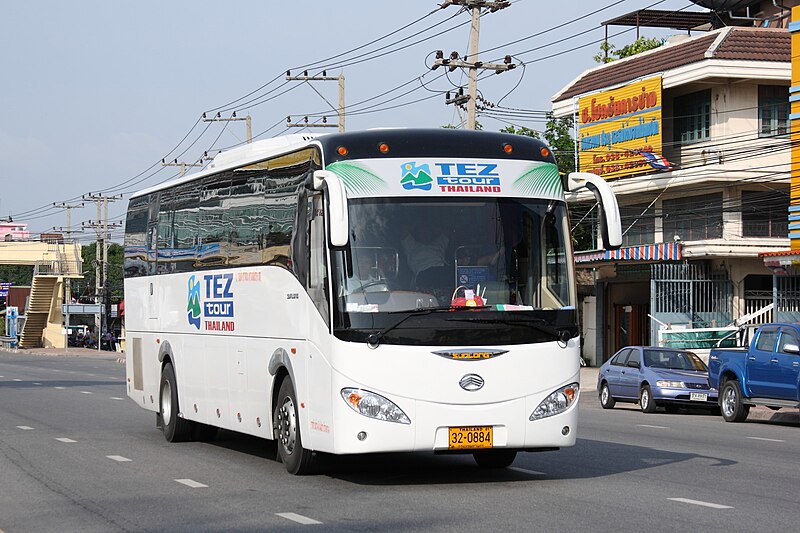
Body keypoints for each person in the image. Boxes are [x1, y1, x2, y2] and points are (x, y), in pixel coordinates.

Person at [401, 216, 450, 292]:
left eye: (428, 232)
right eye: (422, 233)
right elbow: (403, 230)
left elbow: (447, 230)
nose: (425, 235)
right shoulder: (412, 245)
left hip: (443, 270)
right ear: (417, 234)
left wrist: (436, 228)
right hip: (424, 274)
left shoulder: (438, 243)